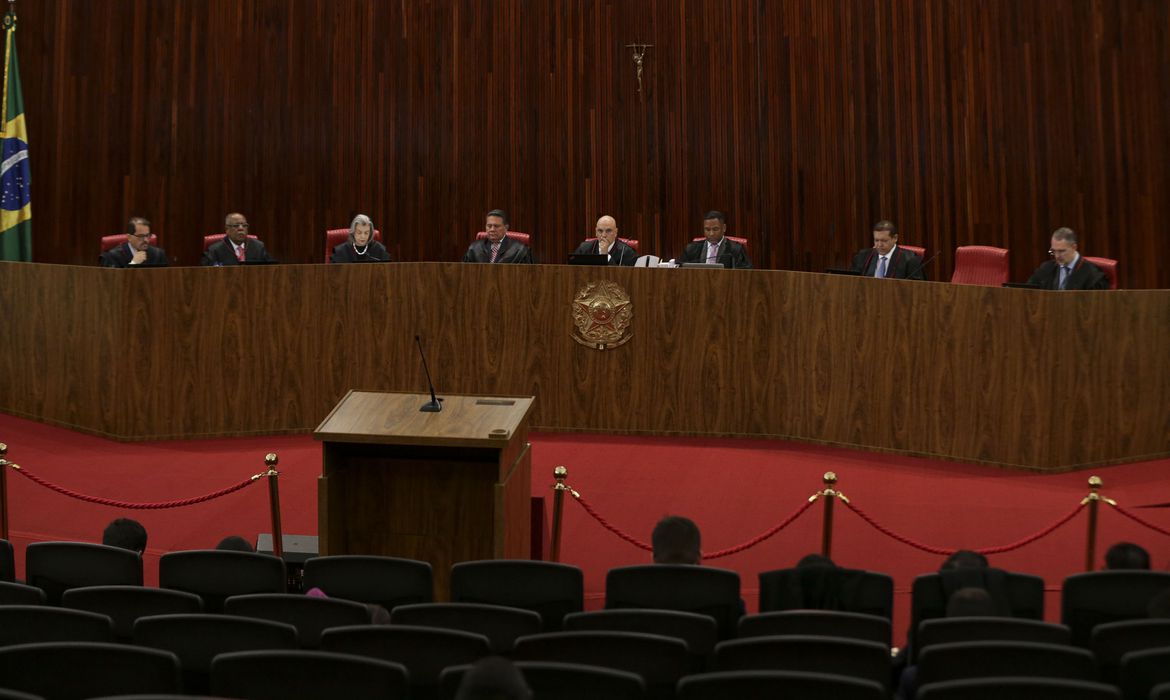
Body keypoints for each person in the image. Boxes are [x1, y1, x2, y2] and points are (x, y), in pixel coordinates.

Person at [1025, 227, 1109, 290]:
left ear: (1074, 247)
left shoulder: (1093, 274)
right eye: (1054, 251)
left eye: (1061, 251)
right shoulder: (1046, 268)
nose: (1057, 256)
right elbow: (1028, 290)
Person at [850, 220, 924, 279]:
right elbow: (853, 282)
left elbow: (917, 287)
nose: (879, 245)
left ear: (895, 238)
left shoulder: (911, 259)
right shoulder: (862, 256)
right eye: (876, 240)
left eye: (884, 241)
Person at [679, 211, 752, 268]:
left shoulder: (736, 249)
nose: (711, 233)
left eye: (715, 229)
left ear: (724, 228)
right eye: (707, 229)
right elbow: (679, 267)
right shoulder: (691, 249)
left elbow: (745, 273)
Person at [201, 212, 274, 266]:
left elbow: (271, 268)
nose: (241, 229)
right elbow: (204, 272)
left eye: (244, 225)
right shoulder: (214, 250)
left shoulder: (258, 247)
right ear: (227, 229)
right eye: (236, 226)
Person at [462, 209, 534, 264]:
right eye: (489, 226)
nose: (492, 229)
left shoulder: (520, 251)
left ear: (506, 228)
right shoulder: (474, 249)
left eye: (496, 226)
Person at [99, 217, 169, 268]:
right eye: (141, 236)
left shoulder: (158, 254)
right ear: (129, 237)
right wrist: (133, 263)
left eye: (148, 236)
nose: (146, 240)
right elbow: (114, 281)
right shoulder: (112, 256)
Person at [571, 215, 636, 266]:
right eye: (600, 231)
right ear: (596, 232)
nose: (604, 235)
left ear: (616, 232)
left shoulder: (626, 252)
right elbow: (572, 270)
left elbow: (624, 277)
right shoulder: (584, 248)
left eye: (608, 231)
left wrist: (606, 255)